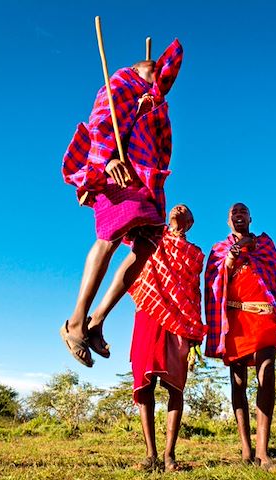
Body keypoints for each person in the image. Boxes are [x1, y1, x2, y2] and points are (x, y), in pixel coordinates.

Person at [60, 39, 183, 367]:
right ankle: (74, 322)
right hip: (117, 169)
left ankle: (97, 320)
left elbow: (162, 142)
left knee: (145, 246)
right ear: (149, 69)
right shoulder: (120, 83)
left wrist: (156, 177)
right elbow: (100, 120)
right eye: (159, 77)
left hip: (146, 175)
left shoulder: (157, 100)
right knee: (110, 237)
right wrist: (107, 159)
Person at [205, 203, 276, 469]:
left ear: (251, 217)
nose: (238, 214)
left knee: (267, 372)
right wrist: (231, 258)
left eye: (243, 211)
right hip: (235, 319)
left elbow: (275, 276)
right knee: (238, 381)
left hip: (262, 314)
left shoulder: (265, 244)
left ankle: (263, 451)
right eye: (233, 213)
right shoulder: (218, 250)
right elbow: (213, 281)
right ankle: (246, 450)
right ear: (228, 221)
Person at [128, 204, 205, 471]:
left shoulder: (195, 254)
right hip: (149, 311)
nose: (179, 209)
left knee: (175, 387)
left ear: (190, 223)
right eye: (175, 207)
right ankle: (151, 455)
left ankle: (170, 455)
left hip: (181, 320)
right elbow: (129, 231)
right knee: (144, 384)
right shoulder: (153, 239)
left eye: (184, 210)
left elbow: (195, 291)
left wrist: (196, 331)